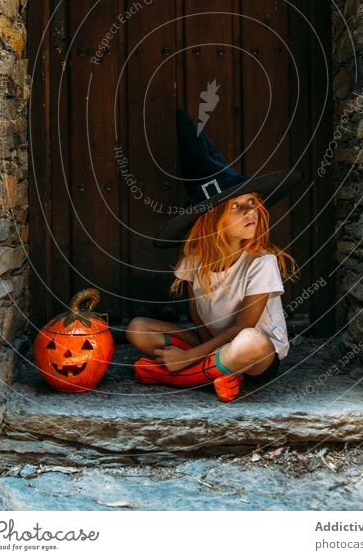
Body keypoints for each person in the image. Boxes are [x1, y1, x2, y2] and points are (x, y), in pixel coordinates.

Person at [126, 109, 303, 402]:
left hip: (256, 354)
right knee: (138, 330)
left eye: (251, 202)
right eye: (236, 206)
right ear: (211, 219)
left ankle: (180, 376)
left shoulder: (261, 263)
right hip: (213, 342)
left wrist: (188, 357)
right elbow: (197, 311)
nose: (251, 212)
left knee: (249, 343)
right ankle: (221, 371)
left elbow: (243, 326)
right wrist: (204, 345)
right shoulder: (194, 260)